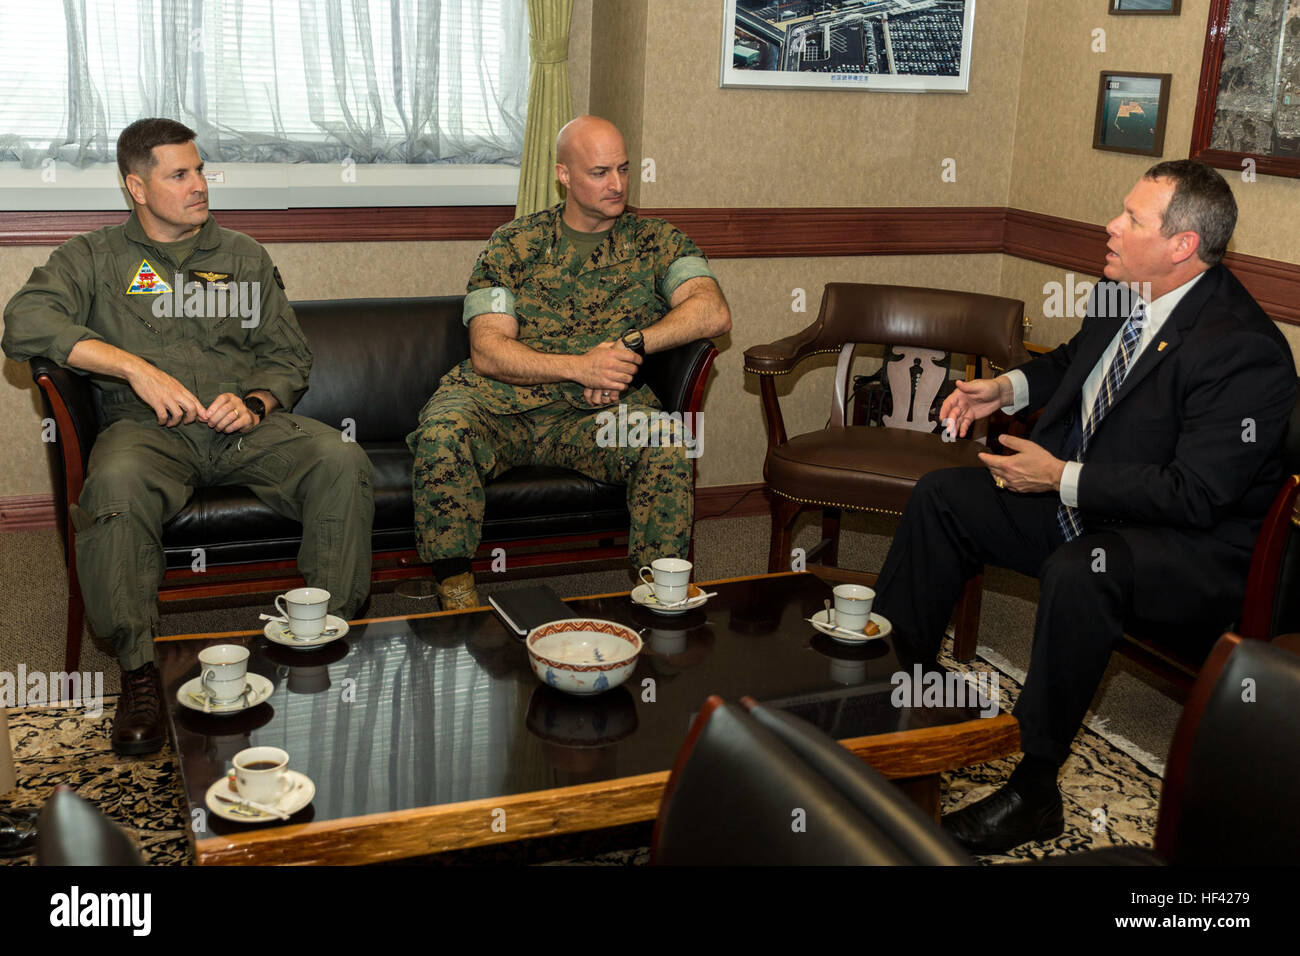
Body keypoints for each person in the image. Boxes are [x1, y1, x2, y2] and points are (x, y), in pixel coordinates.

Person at [873, 159, 1296, 854]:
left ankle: (1034, 790)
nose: (1110, 225)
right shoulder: (1120, 288)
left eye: (1132, 218)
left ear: (1181, 246)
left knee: (1081, 570)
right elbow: (1075, 362)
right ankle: (894, 695)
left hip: (1193, 548)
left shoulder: (1243, 351)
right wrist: (1003, 389)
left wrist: (1061, 477)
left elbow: (1196, 494)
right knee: (944, 496)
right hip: (1093, 505)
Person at [2, 118, 374, 756]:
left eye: (200, 170)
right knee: (113, 486)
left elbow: (288, 358)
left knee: (339, 460)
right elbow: (23, 324)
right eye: (180, 174)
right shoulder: (92, 259)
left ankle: (320, 639)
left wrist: (256, 401)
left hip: (241, 431)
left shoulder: (243, 257)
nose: (200, 185)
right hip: (147, 434)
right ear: (137, 187)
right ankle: (139, 671)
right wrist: (134, 367)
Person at [407, 115, 731, 608]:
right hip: (500, 408)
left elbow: (712, 311)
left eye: (624, 169)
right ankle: (455, 591)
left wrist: (630, 346)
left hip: (595, 416)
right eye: (601, 172)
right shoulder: (512, 244)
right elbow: (488, 350)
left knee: (665, 439)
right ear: (564, 175)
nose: (618, 184)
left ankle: (659, 594)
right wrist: (580, 366)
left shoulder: (656, 242)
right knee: (442, 432)